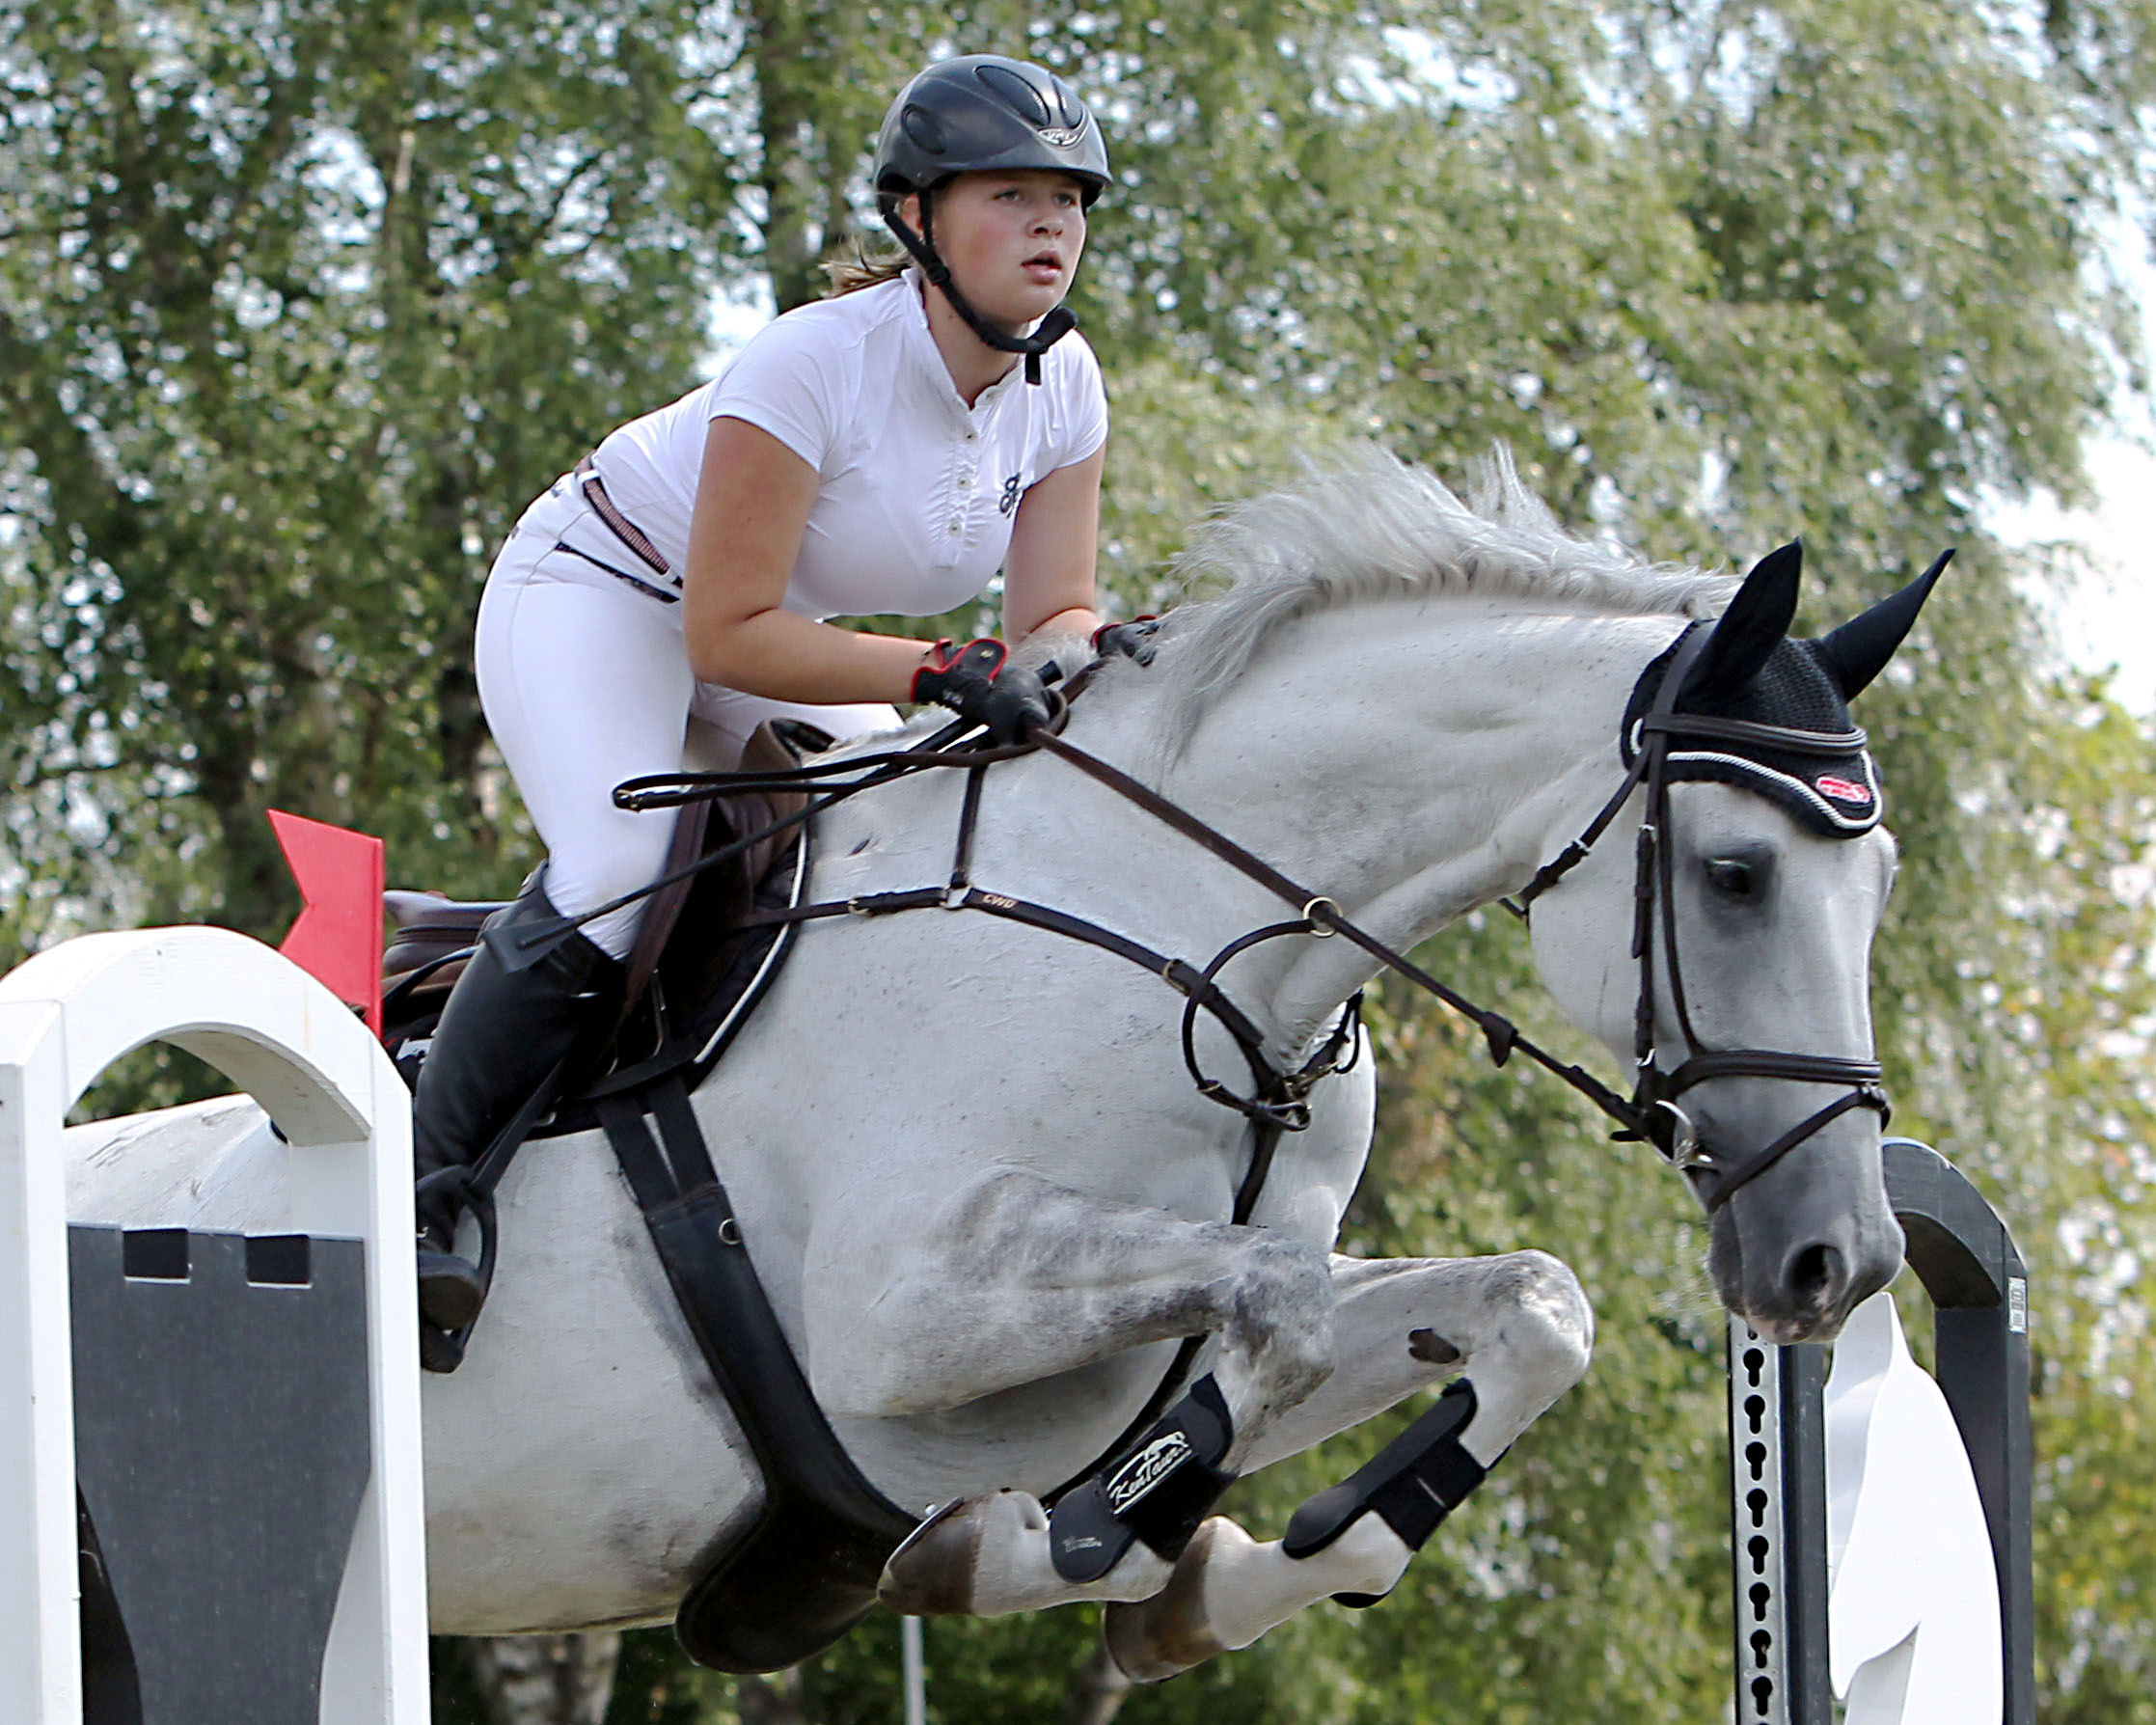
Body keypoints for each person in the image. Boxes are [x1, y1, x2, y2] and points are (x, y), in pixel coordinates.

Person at [408, 54, 1120, 1367]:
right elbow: (725, 635)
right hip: (609, 591)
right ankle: (424, 1197)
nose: (1050, 227)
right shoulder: (813, 362)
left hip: (784, 640)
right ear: (919, 219)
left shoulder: (1062, 389)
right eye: (1011, 195)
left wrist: (1086, 661)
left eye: (1069, 201)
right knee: (623, 863)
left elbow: (1056, 611)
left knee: (918, 845)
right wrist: (930, 675)